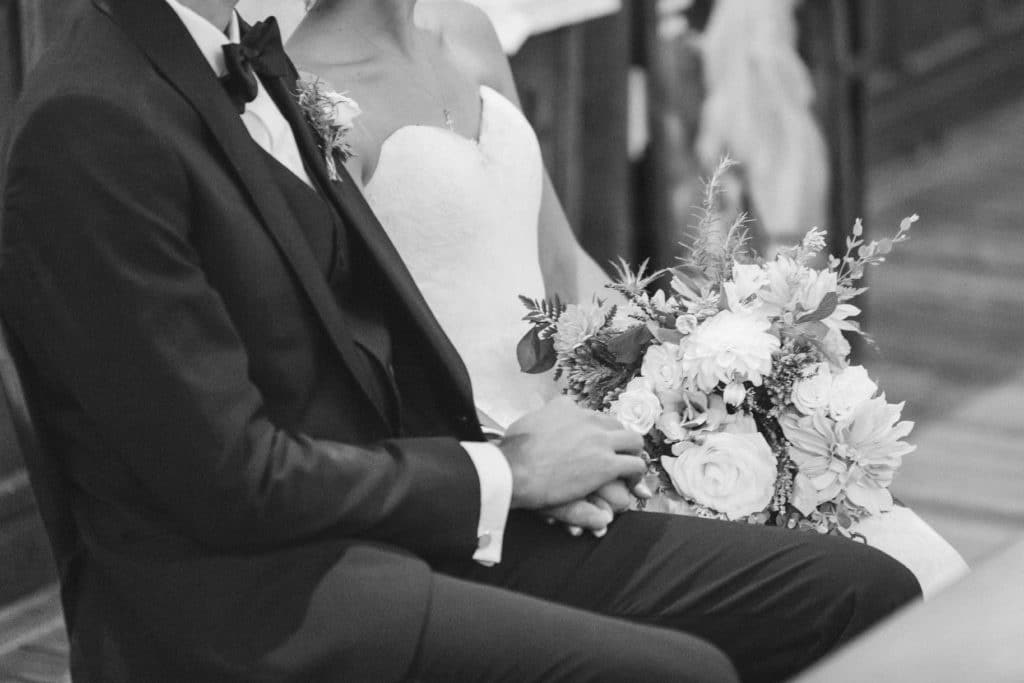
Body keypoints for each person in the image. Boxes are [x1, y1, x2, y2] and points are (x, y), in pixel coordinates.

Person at [0, 0, 919, 681]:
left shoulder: (238, 54)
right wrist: (506, 472)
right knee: (686, 673)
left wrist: (613, 413)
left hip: (398, 508)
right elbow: (232, 479)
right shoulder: (90, 122)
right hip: (258, 600)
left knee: (863, 593)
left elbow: (377, 338)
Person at [287, 0, 968, 597]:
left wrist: (711, 359)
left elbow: (562, 261)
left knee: (920, 558)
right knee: (853, 586)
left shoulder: (467, 31)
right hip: (513, 465)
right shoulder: (306, 95)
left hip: (612, 406)